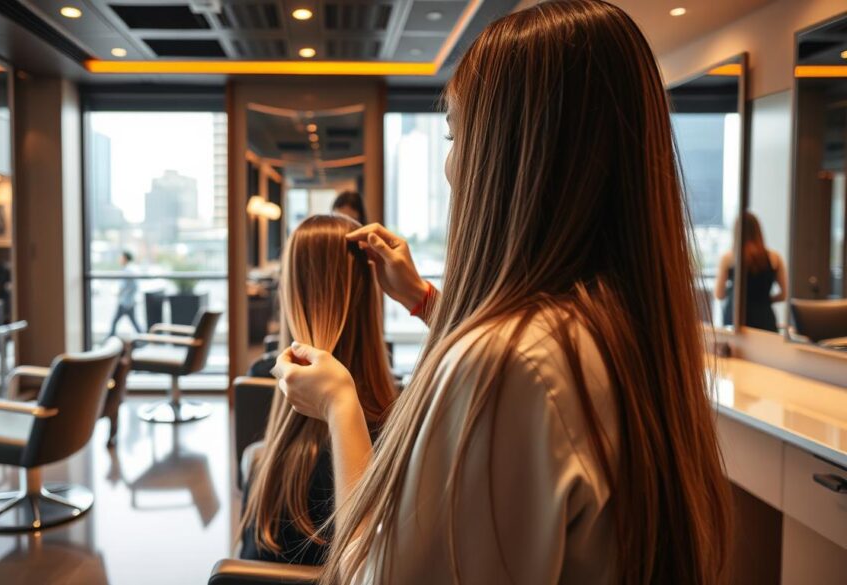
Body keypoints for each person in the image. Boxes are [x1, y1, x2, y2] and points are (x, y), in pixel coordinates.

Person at [271, 1, 731, 583]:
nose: (450, 165)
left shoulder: (505, 364)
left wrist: (340, 405)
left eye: (457, 133)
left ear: (507, 155)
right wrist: (424, 301)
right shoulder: (623, 333)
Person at [239, 214, 398, 565]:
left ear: (289, 294)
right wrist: (421, 298)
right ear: (370, 295)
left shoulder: (269, 469)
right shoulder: (404, 430)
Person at [715, 212, 787, 332]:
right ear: (758, 231)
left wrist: (733, 292)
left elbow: (719, 294)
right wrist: (765, 300)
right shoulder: (775, 258)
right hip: (764, 317)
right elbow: (784, 294)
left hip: (735, 316)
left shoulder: (729, 258)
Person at [107, 251, 141, 337]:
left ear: (125, 258)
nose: (120, 260)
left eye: (121, 257)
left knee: (115, 321)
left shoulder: (128, 270)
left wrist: (119, 292)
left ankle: (110, 337)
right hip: (129, 301)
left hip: (125, 302)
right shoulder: (131, 269)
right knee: (133, 321)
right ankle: (143, 338)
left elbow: (123, 286)